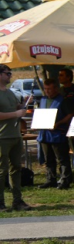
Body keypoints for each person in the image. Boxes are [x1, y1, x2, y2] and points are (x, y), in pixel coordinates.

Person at [0, 64, 29, 210]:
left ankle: (17, 200)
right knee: (1, 170)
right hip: (2, 137)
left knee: (16, 168)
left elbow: (13, 108)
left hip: (15, 135)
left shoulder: (10, 92)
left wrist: (21, 107)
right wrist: (15, 114)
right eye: (7, 73)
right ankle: (0, 203)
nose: (10, 76)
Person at [37, 78, 74, 189]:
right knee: (48, 159)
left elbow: (70, 114)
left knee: (62, 158)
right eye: (45, 89)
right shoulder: (43, 99)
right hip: (44, 134)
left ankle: (65, 179)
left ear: (56, 89)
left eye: (49, 89)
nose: (47, 91)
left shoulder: (63, 100)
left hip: (57, 134)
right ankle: (50, 179)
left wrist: (59, 123)